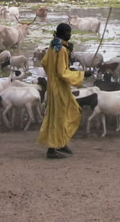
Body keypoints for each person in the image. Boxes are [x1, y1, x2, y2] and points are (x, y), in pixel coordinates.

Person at [37, 23, 91, 159]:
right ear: (62, 33)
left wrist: (52, 73)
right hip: (59, 88)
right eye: (68, 32)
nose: (70, 34)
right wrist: (82, 74)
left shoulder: (53, 45)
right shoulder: (60, 49)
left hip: (53, 86)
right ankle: (52, 149)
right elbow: (62, 72)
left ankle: (60, 142)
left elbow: (45, 62)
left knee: (62, 113)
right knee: (63, 114)